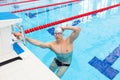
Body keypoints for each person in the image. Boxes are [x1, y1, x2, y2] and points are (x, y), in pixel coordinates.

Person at [14, 26, 80, 78]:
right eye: (55, 34)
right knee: (48, 73)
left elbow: (78, 29)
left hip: (66, 64)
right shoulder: (51, 45)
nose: (57, 35)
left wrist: (64, 27)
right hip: (56, 61)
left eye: (59, 33)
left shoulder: (69, 41)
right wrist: (25, 37)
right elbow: (38, 43)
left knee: (57, 77)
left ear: (62, 34)